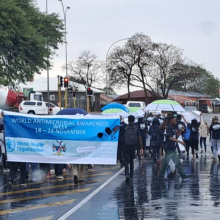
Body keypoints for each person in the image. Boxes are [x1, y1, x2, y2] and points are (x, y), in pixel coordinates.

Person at [123, 115, 143, 183]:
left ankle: (127, 174)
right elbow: (139, 138)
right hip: (133, 146)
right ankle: (131, 174)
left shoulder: (124, 127)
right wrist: (141, 147)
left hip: (126, 146)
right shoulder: (136, 127)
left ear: (128, 120)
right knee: (131, 161)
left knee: (126, 161)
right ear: (134, 120)